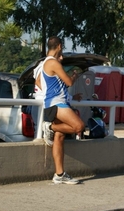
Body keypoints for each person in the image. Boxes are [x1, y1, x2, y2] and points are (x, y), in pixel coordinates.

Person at [40, 36, 85, 185]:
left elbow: (39, 82)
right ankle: (49, 127)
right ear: (59, 46)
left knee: (59, 137)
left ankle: (59, 174)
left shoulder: (44, 63)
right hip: (57, 104)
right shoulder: (52, 62)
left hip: (53, 103)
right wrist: (74, 76)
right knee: (79, 127)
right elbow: (68, 82)